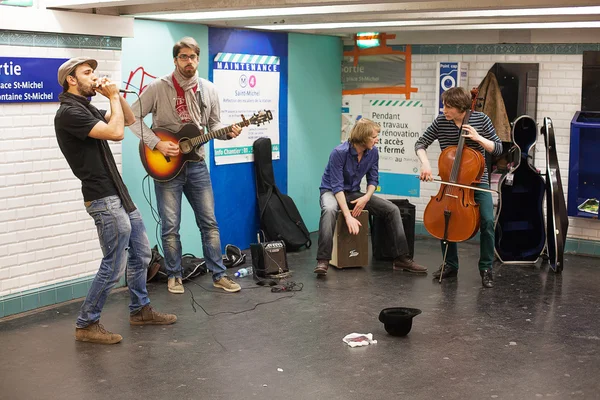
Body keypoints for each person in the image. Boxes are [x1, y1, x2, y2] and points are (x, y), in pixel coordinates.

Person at [54, 57, 177, 345]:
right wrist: (109, 96)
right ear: (71, 79)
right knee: (114, 264)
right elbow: (116, 133)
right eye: (87, 73)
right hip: (102, 197)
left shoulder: (86, 108)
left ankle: (140, 310)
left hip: (117, 193)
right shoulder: (69, 113)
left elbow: (130, 120)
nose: (94, 76)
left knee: (142, 254)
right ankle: (86, 323)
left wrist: (116, 95)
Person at [129, 37, 242, 294]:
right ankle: (174, 276)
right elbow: (131, 117)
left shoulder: (208, 89)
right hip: (167, 167)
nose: (188, 61)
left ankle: (219, 275)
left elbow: (214, 126)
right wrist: (156, 143)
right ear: (175, 60)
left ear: (197, 59)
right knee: (170, 227)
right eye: (183, 57)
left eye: (192, 57)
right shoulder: (158, 87)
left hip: (197, 165)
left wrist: (227, 133)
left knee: (209, 223)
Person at [314, 118, 427, 275]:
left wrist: (366, 197)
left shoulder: (373, 152)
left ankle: (402, 258)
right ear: (362, 137)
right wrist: (348, 216)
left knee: (392, 210)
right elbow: (337, 187)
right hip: (331, 191)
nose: (377, 139)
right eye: (374, 136)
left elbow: (373, 179)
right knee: (329, 209)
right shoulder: (339, 153)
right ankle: (323, 261)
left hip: (353, 192)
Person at [415, 87, 503, 288]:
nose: (444, 109)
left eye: (448, 106)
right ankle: (450, 264)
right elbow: (420, 143)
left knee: (488, 222)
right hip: (451, 180)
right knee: (445, 218)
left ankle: (486, 268)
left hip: (476, 180)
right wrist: (425, 163)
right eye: (444, 105)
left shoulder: (481, 120)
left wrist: (478, 138)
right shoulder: (441, 122)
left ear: (461, 107)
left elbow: (498, 148)